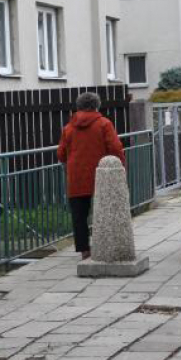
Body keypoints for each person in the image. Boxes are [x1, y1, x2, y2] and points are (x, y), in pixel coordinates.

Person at [57, 92, 125, 260]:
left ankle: (84, 250)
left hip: (76, 177)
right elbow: (115, 148)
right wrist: (121, 166)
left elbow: (61, 154)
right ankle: (106, 245)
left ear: (78, 107)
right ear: (96, 106)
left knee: (79, 215)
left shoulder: (68, 128)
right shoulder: (104, 124)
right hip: (102, 175)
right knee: (105, 210)